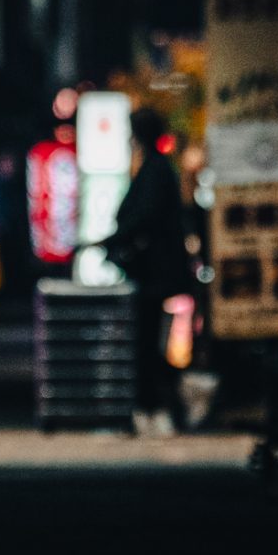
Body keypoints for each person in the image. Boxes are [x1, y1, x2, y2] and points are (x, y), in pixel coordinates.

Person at [103, 107, 192, 436]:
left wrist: (110, 239)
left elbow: (142, 216)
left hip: (154, 273)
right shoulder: (158, 167)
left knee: (147, 341)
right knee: (151, 341)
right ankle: (158, 408)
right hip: (159, 272)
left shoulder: (153, 170)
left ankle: (153, 409)